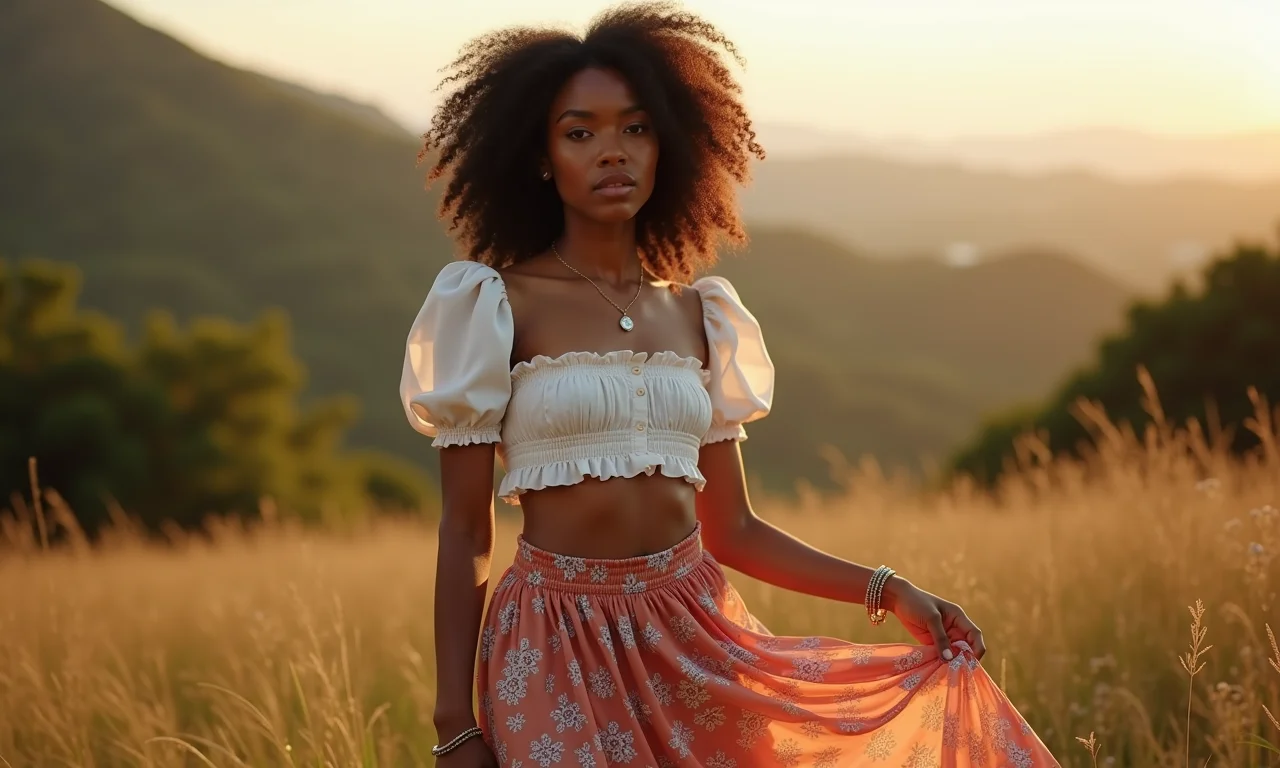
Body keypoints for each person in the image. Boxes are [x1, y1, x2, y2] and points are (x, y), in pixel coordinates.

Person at [402, 3, 1060, 766]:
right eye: (580, 132)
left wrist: (890, 587)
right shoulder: (493, 305)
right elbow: (466, 531)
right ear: (542, 155)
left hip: (696, 635)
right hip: (554, 641)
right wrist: (456, 721)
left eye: (636, 128)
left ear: (667, 145)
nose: (611, 151)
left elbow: (733, 529)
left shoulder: (700, 314)